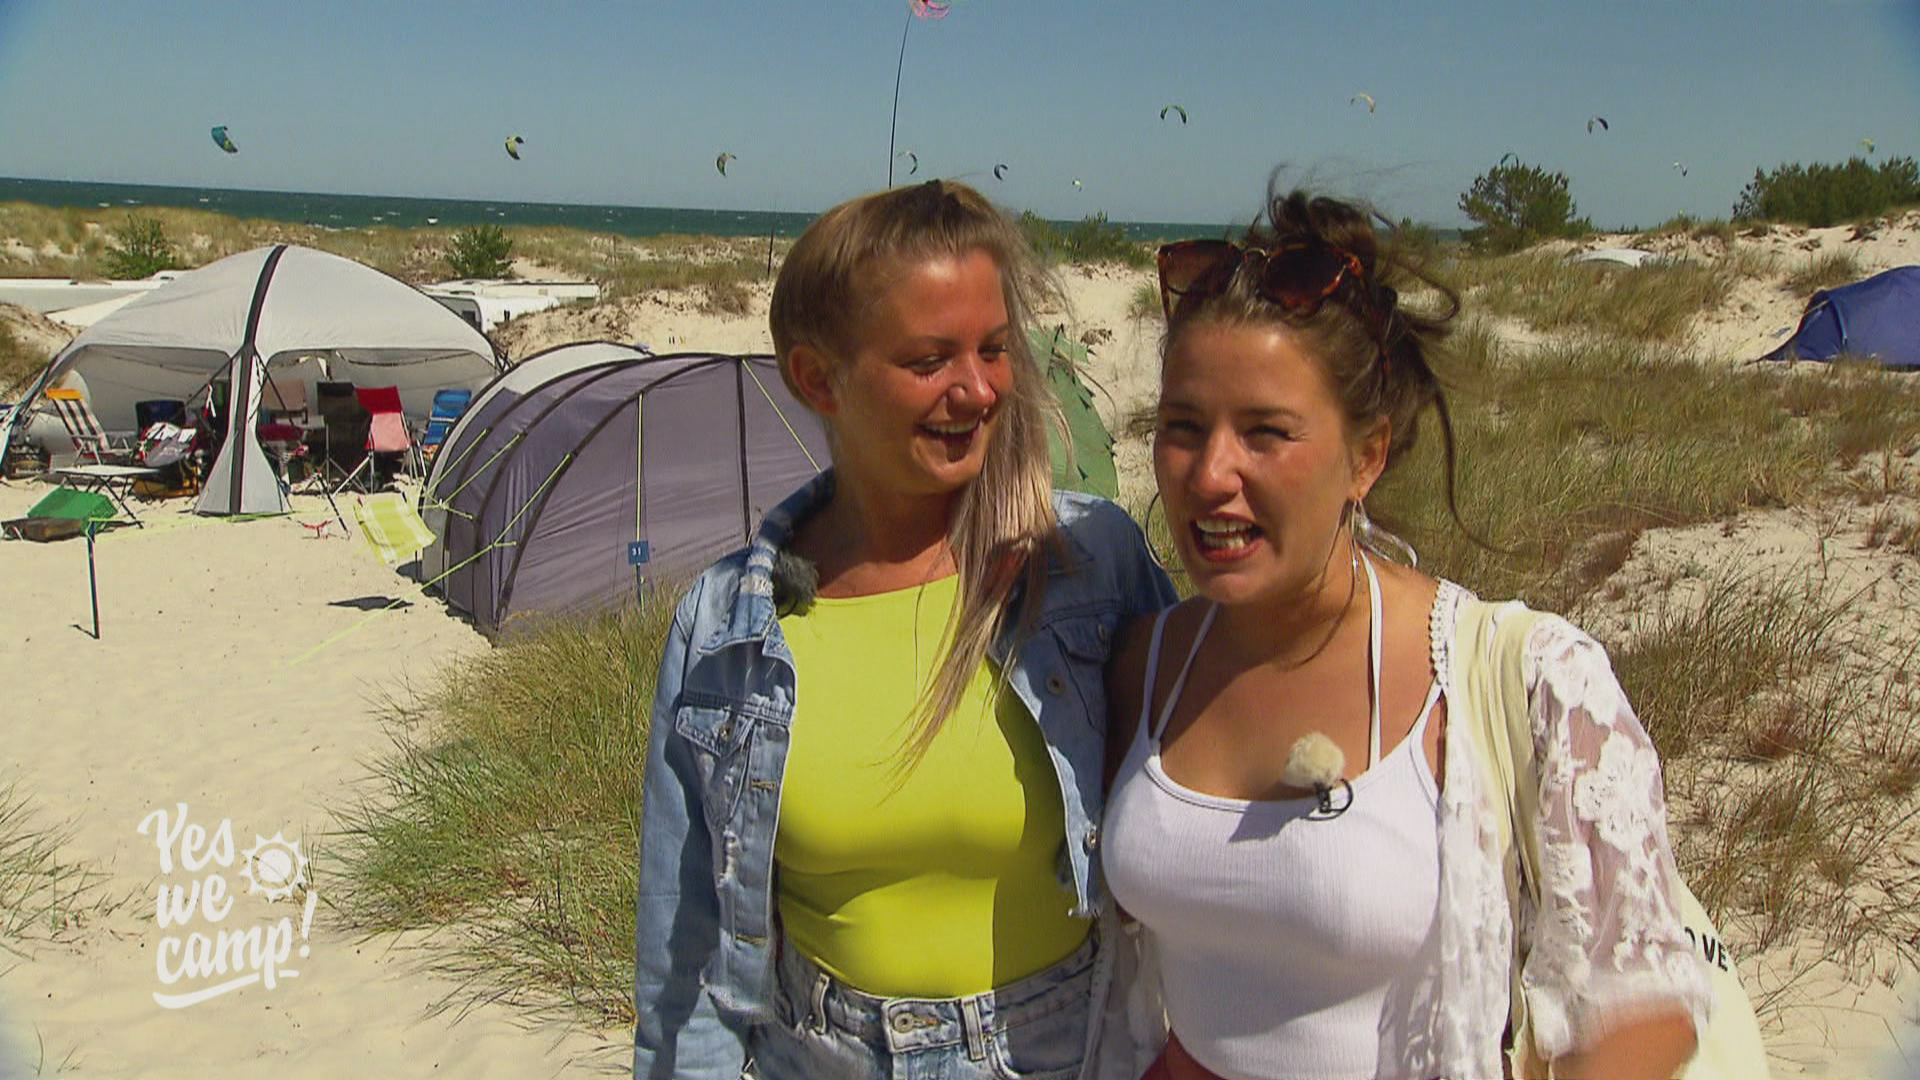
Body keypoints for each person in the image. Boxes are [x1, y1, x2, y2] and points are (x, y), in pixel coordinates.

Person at [1101, 185, 1713, 1080]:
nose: (1210, 474)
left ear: (1367, 455)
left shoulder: (1518, 676)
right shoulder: (1147, 662)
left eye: (1266, 432)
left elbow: (1647, 1004)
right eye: (1182, 428)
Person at [633, 179, 1176, 1080]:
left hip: (1069, 1047)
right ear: (818, 378)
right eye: (930, 360)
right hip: (818, 1054)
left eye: (996, 349)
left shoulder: (1089, 566)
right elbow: (685, 950)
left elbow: (1209, 813)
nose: (978, 389)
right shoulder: (726, 627)